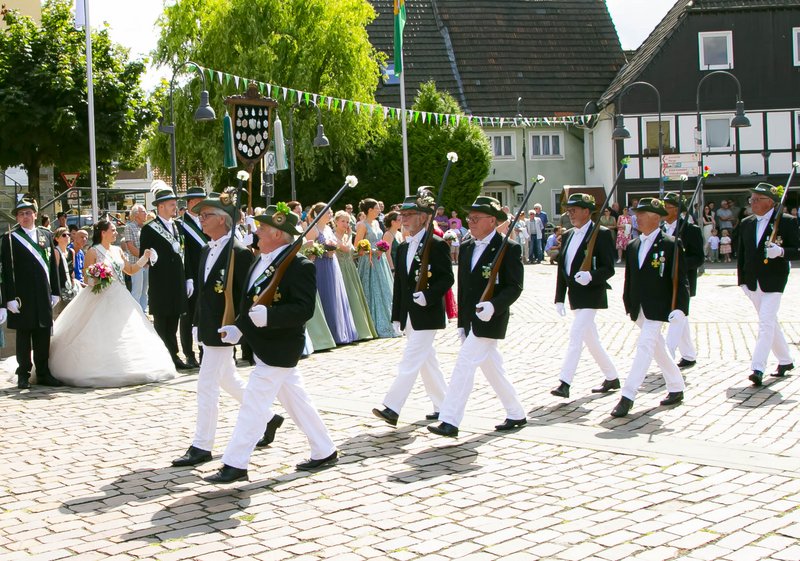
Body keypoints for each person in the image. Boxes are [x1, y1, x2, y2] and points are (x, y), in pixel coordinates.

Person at [206, 204, 338, 483]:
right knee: (297, 401)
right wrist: (239, 328)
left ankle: (235, 463)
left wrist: (270, 316)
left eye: (263, 228)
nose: (257, 231)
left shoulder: (299, 265)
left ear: (278, 234)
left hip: (281, 345)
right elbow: (250, 301)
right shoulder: (260, 260)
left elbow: (304, 309)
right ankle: (325, 449)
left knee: (253, 404)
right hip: (263, 345)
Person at [171, 193, 283, 468]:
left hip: (225, 328)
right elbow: (203, 293)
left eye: (206, 215)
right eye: (200, 215)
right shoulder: (206, 249)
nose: (201, 219)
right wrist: (196, 323)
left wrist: (238, 327)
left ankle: (202, 445)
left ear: (223, 220)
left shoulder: (239, 253)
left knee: (206, 385)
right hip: (208, 327)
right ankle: (268, 417)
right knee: (228, 379)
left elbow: (246, 295)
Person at [428, 196, 526, 437]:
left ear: (492, 220)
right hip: (471, 319)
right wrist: (462, 322)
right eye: (469, 218)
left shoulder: (509, 248)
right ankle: (516, 412)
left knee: (465, 363)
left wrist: (494, 305)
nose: (470, 222)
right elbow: (464, 287)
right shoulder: (468, 246)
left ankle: (449, 419)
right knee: (493, 368)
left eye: (476, 218)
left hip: (492, 317)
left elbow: (514, 286)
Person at [48, 218, 175, 387]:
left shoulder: (117, 250)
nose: (116, 233)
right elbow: (86, 278)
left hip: (120, 294)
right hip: (99, 295)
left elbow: (130, 270)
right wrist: (99, 276)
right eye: (113, 230)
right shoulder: (93, 251)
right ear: (103, 233)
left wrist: (144, 258)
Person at [373, 189, 454, 427]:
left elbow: (447, 278)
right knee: (427, 361)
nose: (404, 219)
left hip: (427, 313)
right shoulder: (402, 247)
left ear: (423, 217)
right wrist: (397, 314)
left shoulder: (436, 244)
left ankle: (392, 407)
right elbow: (399, 284)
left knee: (410, 360)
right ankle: (443, 405)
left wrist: (428, 296)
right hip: (409, 313)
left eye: (409, 214)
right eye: (403, 215)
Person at [611, 197, 688, 418]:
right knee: (657, 347)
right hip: (639, 307)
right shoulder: (633, 245)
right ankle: (676, 386)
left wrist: (680, 308)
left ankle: (628, 395)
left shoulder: (671, 244)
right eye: (637, 214)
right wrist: (628, 302)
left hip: (658, 306)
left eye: (643, 214)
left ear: (656, 217)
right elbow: (630, 278)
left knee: (645, 346)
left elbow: (680, 279)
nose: (638, 218)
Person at [550, 194, 619, 399]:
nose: (570, 214)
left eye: (574, 210)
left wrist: (591, 276)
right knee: (590, 339)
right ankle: (612, 376)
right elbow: (562, 268)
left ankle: (565, 382)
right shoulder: (568, 235)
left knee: (576, 335)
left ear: (587, 211)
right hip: (575, 296)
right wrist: (559, 297)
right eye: (568, 210)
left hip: (592, 294)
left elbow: (609, 268)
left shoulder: (601, 234)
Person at [736, 183, 799, 387]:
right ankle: (785, 360)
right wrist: (742, 280)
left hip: (774, 280)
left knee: (765, 323)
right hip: (753, 281)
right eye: (751, 199)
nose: (752, 203)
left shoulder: (786, 221)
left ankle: (758, 368)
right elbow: (742, 254)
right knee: (770, 322)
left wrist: (781, 252)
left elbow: (797, 250)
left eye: (757, 199)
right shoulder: (746, 223)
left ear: (770, 202)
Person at [1, 196, 61, 389]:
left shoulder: (46, 235)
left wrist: (55, 291)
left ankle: (43, 373)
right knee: (24, 336)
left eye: (28, 213)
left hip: (43, 293)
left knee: (43, 334)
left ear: (35, 214)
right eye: (21, 214)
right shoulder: (10, 238)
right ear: (17, 218)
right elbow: (6, 271)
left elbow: (52, 266)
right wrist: (8, 299)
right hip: (22, 296)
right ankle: (23, 374)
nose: (25, 216)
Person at [139, 181, 191, 370]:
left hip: (177, 280)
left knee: (174, 319)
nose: (175, 207)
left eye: (174, 204)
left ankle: (174, 355)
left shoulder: (178, 226)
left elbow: (184, 253)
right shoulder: (149, 228)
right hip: (161, 282)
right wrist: (151, 257)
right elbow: (143, 256)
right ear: (160, 206)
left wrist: (189, 278)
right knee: (162, 321)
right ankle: (164, 357)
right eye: (171, 204)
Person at [662, 192, 704, 369]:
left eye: (667, 207)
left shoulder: (690, 229)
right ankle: (688, 354)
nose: (664, 210)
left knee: (677, 316)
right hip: (664, 280)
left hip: (683, 280)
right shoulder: (660, 229)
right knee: (681, 318)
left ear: (677, 209)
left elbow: (698, 258)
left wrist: (679, 264)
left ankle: (667, 357)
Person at [306, 203, 358, 345]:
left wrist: (332, 248)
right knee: (325, 294)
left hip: (332, 263)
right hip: (320, 265)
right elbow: (308, 250)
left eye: (330, 212)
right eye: (327, 212)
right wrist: (322, 250)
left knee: (335, 295)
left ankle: (339, 332)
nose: (330, 215)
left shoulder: (328, 229)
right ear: (318, 214)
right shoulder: (313, 229)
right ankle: (325, 335)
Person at [355, 198, 396, 338]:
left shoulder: (377, 223)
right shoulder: (362, 225)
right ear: (370, 210)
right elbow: (357, 246)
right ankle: (372, 324)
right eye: (377, 208)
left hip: (380, 260)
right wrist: (373, 250)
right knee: (371, 289)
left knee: (384, 289)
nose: (379, 210)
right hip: (369, 261)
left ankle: (390, 320)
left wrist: (382, 248)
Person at [333, 210, 377, 340]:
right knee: (347, 296)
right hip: (341, 269)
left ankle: (358, 328)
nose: (346, 224)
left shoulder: (346, 236)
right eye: (343, 221)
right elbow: (345, 248)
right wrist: (349, 236)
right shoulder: (334, 236)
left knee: (354, 297)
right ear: (336, 222)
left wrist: (360, 252)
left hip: (351, 268)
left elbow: (351, 253)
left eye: (347, 222)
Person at [178, 186, 209, 369]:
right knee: (188, 317)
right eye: (197, 202)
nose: (200, 206)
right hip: (192, 276)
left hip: (208, 274)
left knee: (205, 315)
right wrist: (188, 277)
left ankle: (205, 351)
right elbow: (185, 255)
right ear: (189, 203)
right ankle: (189, 354)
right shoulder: (181, 225)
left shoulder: (208, 220)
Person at [123, 204, 149, 311]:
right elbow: (130, 247)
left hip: (146, 263)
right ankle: (135, 313)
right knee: (137, 290)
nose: (146, 213)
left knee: (145, 290)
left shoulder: (146, 227)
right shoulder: (129, 227)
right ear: (136, 214)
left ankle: (143, 312)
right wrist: (144, 259)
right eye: (143, 211)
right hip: (136, 264)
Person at [51, 226, 77, 318]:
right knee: (60, 315)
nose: (67, 237)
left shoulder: (71, 251)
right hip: (60, 287)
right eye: (64, 235)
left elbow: (72, 270)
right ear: (57, 238)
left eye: (68, 235)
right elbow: (55, 273)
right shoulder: (56, 251)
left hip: (70, 287)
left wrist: (74, 283)